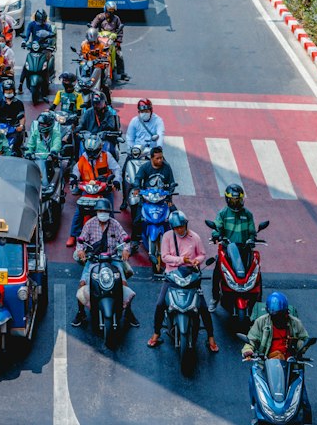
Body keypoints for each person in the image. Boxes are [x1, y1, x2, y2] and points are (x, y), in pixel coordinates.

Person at [149, 211, 218, 353]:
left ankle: (211, 337)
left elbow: (202, 254)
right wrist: (182, 260)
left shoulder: (195, 237)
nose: (180, 229)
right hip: (171, 276)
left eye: (181, 226)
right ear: (173, 228)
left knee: (203, 307)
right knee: (160, 303)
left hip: (191, 276)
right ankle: (156, 333)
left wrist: (195, 261)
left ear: (186, 225)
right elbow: (165, 257)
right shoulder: (168, 237)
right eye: (176, 228)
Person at [72, 197, 139, 330]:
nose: (103, 213)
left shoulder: (115, 224)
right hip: (94, 259)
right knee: (82, 284)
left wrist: (126, 250)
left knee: (123, 283)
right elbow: (80, 241)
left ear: (109, 212)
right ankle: (81, 313)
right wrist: (80, 251)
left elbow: (125, 239)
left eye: (105, 211)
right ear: (97, 212)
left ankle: (128, 313)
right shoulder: (90, 224)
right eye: (100, 210)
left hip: (113, 259)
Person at [241, 292, 311, 397]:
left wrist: (297, 344)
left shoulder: (295, 323)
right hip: (268, 363)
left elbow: (305, 339)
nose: (280, 318)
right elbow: (251, 341)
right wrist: (248, 351)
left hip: (290, 364)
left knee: (302, 396)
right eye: (276, 316)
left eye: (282, 314)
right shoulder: (261, 322)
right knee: (255, 381)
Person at [67, 134, 121, 247]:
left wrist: (116, 180)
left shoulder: (107, 156)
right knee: (79, 212)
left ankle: (114, 235)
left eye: (93, 152)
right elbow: (76, 169)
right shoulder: (83, 158)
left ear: (100, 148)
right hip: (88, 189)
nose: (91, 155)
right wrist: (74, 178)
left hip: (104, 189)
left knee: (109, 211)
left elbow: (116, 169)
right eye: (89, 152)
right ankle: (73, 235)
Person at [210, 182, 258, 305]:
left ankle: (257, 298)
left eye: (238, 200)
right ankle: (215, 298)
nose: (236, 203)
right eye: (233, 200)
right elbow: (217, 227)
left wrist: (252, 238)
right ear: (227, 200)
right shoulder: (223, 214)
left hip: (244, 248)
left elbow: (252, 230)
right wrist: (216, 235)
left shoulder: (247, 214)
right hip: (227, 249)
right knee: (217, 273)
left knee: (256, 272)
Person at [91, 5, 129, 82]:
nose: (110, 13)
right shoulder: (100, 17)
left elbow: (120, 30)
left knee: (119, 55)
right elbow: (93, 26)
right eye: (109, 11)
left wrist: (118, 41)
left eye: (112, 11)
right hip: (101, 40)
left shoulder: (116, 19)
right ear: (105, 10)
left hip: (112, 40)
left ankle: (122, 73)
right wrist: (92, 31)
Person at [19, 9, 53, 92]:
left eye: (42, 20)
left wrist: (48, 39)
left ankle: (47, 81)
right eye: (40, 20)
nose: (41, 22)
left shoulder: (47, 26)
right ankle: (20, 85)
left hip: (44, 49)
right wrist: (24, 41)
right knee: (26, 66)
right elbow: (27, 35)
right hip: (34, 48)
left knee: (46, 66)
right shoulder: (31, 25)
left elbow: (51, 37)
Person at [24, 109, 62, 178]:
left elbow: (57, 144)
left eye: (44, 124)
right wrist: (28, 152)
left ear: (49, 124)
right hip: (37, 161)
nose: (41, 126)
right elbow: (30, 145)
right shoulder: (36, 132)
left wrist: (53, 152)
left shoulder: (56, 133)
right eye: (40, 124)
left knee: (58, 176)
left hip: (51, 160)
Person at [0, 80, 26, 152]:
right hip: (3, 127)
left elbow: (22, 117)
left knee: (17, 146)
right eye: (6, 90)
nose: (8, 92)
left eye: (10, 90)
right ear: (3, 91)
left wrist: (21, 126)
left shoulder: (19, 103)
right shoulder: (0, 102)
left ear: (13, 90)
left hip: (14, 127)